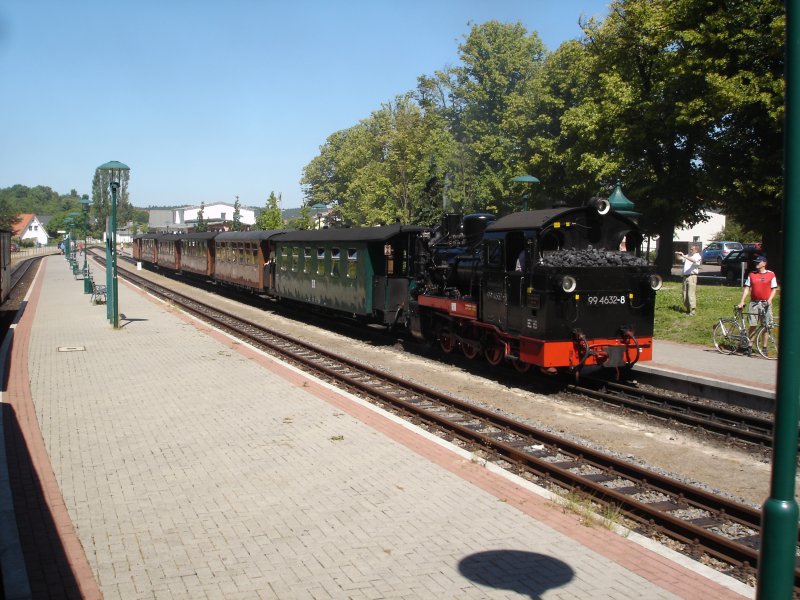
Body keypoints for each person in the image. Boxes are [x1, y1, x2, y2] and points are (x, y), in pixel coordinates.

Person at [737, 255, 778, 347]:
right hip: (754, 303)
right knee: (753, 325)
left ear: (764, 263)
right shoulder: (752, 274)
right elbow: (747, 288)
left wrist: (770, 299)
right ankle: (749, 346)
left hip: (765, 303)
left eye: (758, 262)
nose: (756, 263)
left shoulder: (771, 274)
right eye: (756, 262)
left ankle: (764, 347)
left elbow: (774, 289)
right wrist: (742, 301)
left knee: (766, 326)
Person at [676, 244, 701, 315]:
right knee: (685, 293)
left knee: (691, 293)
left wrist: (684, 256)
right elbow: (679, 259)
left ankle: (692, 311)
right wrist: (677, 254)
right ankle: (687, 310)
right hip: (685, 276)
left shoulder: (697, 256)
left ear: (696, 250)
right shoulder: (688, 255)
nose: (690, 250)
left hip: (692, 276)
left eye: (692, 249)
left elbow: (693, 260)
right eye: (690, 249)